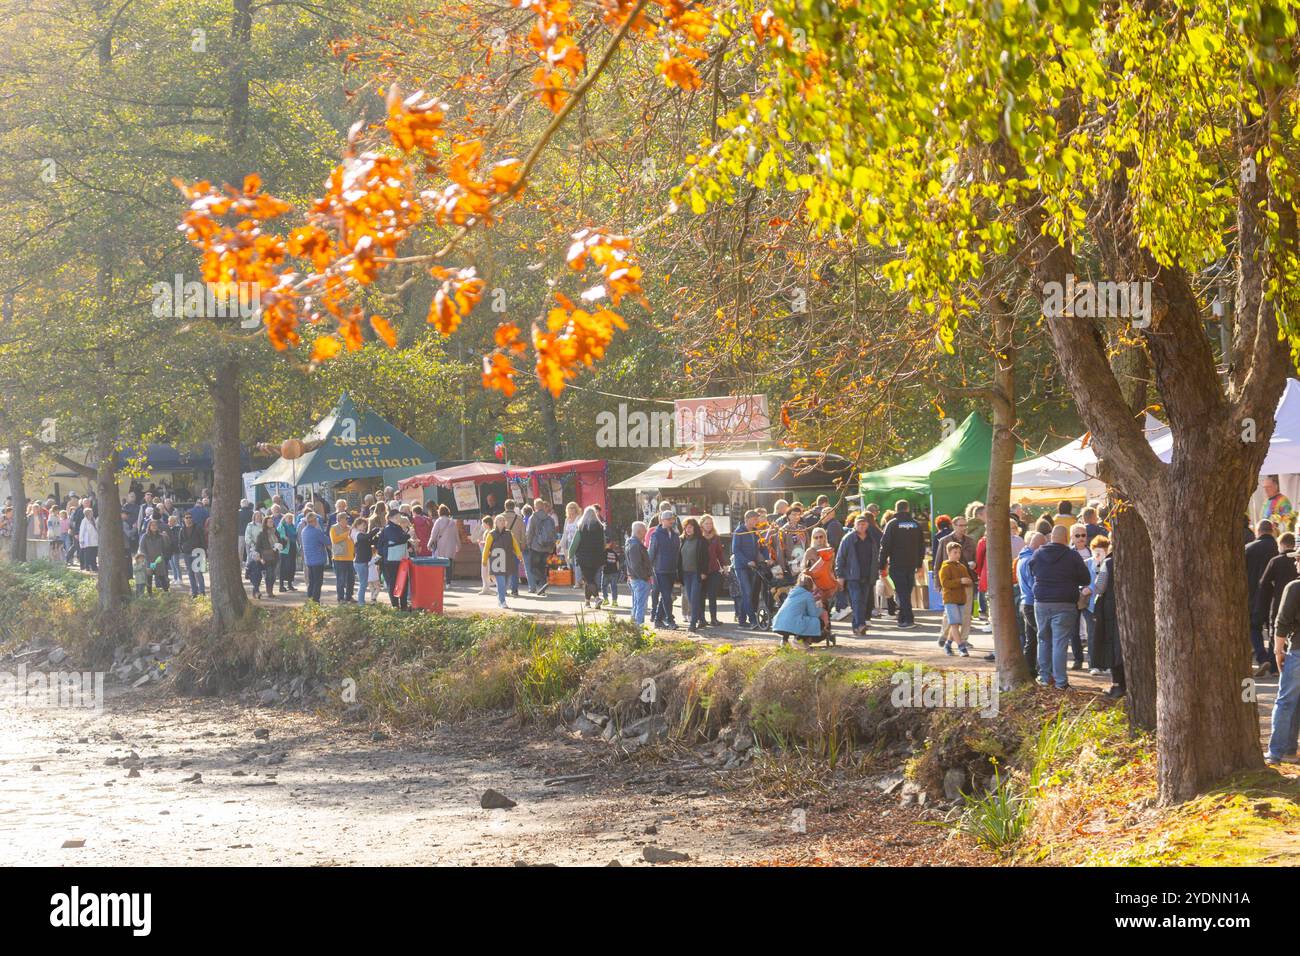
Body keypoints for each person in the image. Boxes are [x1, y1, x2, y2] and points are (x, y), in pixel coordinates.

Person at [1028, 525, 1091, 690]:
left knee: (1043, 640)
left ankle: (1044, 677)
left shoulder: (1038, 553)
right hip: (1064, 603)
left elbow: (1031, 571)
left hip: (1041, 602)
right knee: (1060, 643)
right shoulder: (1072, 556)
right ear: (1066, 538)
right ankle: (1061, 682)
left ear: (1051, 537)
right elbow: (1086, 578)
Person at [1267, 550, 1300, 765]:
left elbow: (1282, 621)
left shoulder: (1295, 587)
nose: (1296, 563)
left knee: (1286, 701)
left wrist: (1278, 651)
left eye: (1298, 559)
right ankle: (1289, 748)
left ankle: (1276, 752)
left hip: (1298, 650)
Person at [1256, 532, 1298, 677]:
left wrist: (1266, 600)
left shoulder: (1276, 561)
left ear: (1281, 545)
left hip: (1280, 603)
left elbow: (1263, 583)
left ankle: (1275, 668)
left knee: (1278, 632)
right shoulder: (1294, 563)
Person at [878, 500, 925, 628]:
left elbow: (885, 546)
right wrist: (920, 564)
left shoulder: (891, 524)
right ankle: (903, 618)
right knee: (906, 591)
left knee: (902, 591)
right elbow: (922, 546)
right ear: (907, 509)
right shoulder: (916, 524)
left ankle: (908, 619)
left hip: (897, 563)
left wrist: (881, 565)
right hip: (912, 564)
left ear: (896, 509)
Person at [835, 514, 879, 636]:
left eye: (863, 524)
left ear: (867, 525)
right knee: (856, 601)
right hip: (852, 576)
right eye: (859, 524)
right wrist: (840, 577)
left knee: (863, 602)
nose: (861, 526)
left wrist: (876, 573)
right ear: (854, 525)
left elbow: (875, 557)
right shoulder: (848, 539)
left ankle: (857, 626)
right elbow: (840, 558)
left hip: (867, 576)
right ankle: (860, 625)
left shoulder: (871, 539)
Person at [1247, 519, 1280, 668]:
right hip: (1275, 595)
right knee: (1273, 628)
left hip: (1254, 595)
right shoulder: (1278, 548)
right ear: (1272, 531)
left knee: (1254, 627)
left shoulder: (1248, 549)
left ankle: (1262, 657)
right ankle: (1274, 663)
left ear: (1258, 531)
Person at [938, 540, 976, 656]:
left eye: (959, 552)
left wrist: (968, 581)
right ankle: (961, 647)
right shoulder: (945, 567)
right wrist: (960, 581)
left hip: (961, 599)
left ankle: (948, 644)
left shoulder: (962, 567)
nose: (957, 555)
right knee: (954, 623)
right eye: (955, 552)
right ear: (949, 553)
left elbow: (968, 579)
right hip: (950, 599)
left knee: (957, 623)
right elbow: (945, 583)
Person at [772, 573, 829, 649]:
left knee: (793, 618)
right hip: (791, 624)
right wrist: (820, 608)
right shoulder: (807, 594)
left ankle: (784, 641)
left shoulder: (792, 592)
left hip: (778, 624)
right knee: (818, 622)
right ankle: (799, 640)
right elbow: (814, 614)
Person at [1016, 532, 1045, 677]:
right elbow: (1034, 584)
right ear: (1039, 545)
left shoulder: (1022, 558)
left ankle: (1029, 670)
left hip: (1025, 602)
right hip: (1031, 603)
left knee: (1031, 639)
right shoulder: (1031, 561)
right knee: (1041, 637)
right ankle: (1041, 670)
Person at [648, 510, 681, 628]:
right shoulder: (656, 535)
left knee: (666, 596)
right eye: (668, 519)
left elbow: (678, 552)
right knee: (667, 595)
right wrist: (648, 571)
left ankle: (657, 620)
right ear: (662, 520)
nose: (671, 521)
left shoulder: (675, 534)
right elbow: (651, 554)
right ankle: (670, 620)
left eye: (672, 519)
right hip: (660, 570)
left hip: (672, 569)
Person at [482, 513, 523, 609]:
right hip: (497, 561)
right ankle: (502, 601)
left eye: (503, 520)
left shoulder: (509, 533)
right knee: (500, 581)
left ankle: (500, 596)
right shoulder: (491, 534)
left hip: (508, 560)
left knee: (506, 582)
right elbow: (486, 548)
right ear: (495, 522)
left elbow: (515, 545)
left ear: (505, 523)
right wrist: (484, 559)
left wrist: (519, 554)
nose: (501, 521)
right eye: (499, 520)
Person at [571, 505, 607, 609]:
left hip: (583, 558)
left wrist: (570, 554)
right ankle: (587, 602)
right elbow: (604, 543)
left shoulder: (581, 527)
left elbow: (575, 543)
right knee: (589, 579)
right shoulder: (600, 528)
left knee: (589, 579)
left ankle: (596, 598)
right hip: (597, 558)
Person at [1084, 536, 1111, 674]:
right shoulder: (1086, 563)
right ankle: (1093, 664)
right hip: (1090, 605)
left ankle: (1105, 664)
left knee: (1105, 634)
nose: (1100, 554)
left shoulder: (1109, 563)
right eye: (1097, 551)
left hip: (1105, 605)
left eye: (1104, 550)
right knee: (1092, 634)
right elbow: (1081, 581)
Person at [374, 512, 413, 609]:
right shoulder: (389, 529)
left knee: (403, 582)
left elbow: (401, 540)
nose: (400, 518)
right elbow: (397, 539)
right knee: (394, 583)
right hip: (391, 561)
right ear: (391, 518)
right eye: (398, 517)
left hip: (399, 559)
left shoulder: (396, 527)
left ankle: (403, 605)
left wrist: (409, 542)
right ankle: (396, 605)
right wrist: (408, 535)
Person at [731, 510, 761, 628]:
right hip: (741, 567)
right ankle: (753, 620)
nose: (756, 522)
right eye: (755, 519)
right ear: (747, 519)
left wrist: (768, 558)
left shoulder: (755, 531)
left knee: (746, 594)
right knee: (747, 592)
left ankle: (742, 620)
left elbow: (761, 546)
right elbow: (735, 550)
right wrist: (747, 561)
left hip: (752, 566)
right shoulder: (739, 532)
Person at [678, 517, 708, 630]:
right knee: (690, 598)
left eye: (690, 527)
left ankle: (693, 623)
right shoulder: (682, 540)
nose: (688, 529)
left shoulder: (701, 541)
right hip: (685, 574)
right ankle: (702, 619)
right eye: (686, 527)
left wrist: (704, 572)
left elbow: (706, 558)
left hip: (697, 574)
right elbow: (679, 558)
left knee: (694, 598)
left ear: (695, 528)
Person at [525, 498, 558, 595]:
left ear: (535, 507)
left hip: (536, 547)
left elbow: (529, 532)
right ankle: (543, 587)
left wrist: (528, 544)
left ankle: (543, 582)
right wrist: (552, 546)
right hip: (547, 547)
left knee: (533, 568)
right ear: (543, 507)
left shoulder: (533, 517)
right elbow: (554, 534)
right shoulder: (550, 518)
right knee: (542, 567)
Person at [699, 515, 726, 626]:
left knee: (712, 595)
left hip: (714, 569)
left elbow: (719, 553)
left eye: (710, 523)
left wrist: (724, 565)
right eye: (706, 523)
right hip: (702, 570)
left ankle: (713, 618)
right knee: (701, 595)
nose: (709, 525)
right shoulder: (698, 537)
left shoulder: (716, 537)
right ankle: (701, 619)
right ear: (702, 525)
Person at [625, 521, 653, 625]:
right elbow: (636, 564)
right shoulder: (636, 545)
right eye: (645, 531)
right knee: (641, 605)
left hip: (635, 578)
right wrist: (645, 577)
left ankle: (633, 626)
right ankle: (638, 627)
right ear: (639, 531)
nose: (646, 533)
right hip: (640, 579)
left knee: (636, 604)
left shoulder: (630, 543)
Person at [300, 511, 330, 603]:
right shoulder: (316, 532)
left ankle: (310, 597)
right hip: (317, 559)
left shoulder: (304, 531)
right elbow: (327, 541)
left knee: (311, 581)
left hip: (309, 559)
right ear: (313, 521)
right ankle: (315, 600)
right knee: (318, 581)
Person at [500, 500, 526, 597]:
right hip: (515, 547)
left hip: (502, 546)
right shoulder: (519, 519)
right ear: (514, 507)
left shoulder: (500, 518)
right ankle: (514, 589)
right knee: (515, 569)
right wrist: (522, 545)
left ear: (505, 506)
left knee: (503, 569)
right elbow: (523, 535)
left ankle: (504, 589)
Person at [250, 516, 281, 599]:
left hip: (275, 557)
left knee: (273, 575)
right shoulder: (262, 534)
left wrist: (281, 544)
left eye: (272, 522)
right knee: (269, 574)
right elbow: (258, 547)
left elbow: (280, 542)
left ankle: (269, 590)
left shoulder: (276, 532)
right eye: (269, 522)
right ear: (265, 523)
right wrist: (261, 557)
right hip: (266, 557)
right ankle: (268, 591)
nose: (271, 523)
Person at [429, 504, 460, 582]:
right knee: (449, 564)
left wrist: (429, 543)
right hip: (451, 546)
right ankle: (448, 582)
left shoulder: (438, 521)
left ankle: (440, 580)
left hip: (441, 546)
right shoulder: (452, 522)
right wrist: (459, 545)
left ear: (440, 512)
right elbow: (456, 535)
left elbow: (433, 534)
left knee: (440, 564)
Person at [179, 511, 207, 597]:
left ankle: (202, 592)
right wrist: (182, 550)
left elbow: (203, 540)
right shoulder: (182, 530)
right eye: (186, 518)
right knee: (190, 573)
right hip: (187, 554)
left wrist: (204, 552)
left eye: (190, 517)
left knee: (198, 573)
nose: (188, 519)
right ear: (184, 519)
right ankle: (194, 592)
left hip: (197, 553)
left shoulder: (198, 528)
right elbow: (180, 542)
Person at [330, 513, 356, 603]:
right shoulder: (334, 528)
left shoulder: (349, 528)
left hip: (350, 558)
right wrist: (346, 534)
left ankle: (349, 597)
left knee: (351, 579)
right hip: (339, 558)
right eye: (345, 519)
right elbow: (334, 540)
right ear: (340, 519)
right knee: (340, 579)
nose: (347, 520)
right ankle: (340, 598)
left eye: (347, 519)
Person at [352, 514, 376, 605]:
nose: (364, 526)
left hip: (363, 562)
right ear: (357, 525)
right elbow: (365, 538)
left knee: (363, 583)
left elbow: (369, 541)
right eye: (362, 525)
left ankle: (361, 601)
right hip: (360, 563)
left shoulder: (362, 534)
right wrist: (374, 531)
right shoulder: (357, 534)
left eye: (365, 525)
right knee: (363, 583)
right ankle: (361, 603)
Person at [601, 531, 623, 608]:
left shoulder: (603, 552)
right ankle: (614, 601)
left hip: (606, 572)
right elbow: (617, 562)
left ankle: (606, 599)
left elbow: (602, 562)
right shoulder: (614, 552)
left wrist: (602, 567)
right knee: (614, 587)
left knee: (604, 586)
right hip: (614, 572)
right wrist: (617, 570)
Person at [77, 506, 99, 572]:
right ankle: (87, 567)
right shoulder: (84, 521)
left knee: (94, 554)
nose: (92, 513)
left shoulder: (93, 520)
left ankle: (94, 566)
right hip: (88, 541)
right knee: (88, 554)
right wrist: (81, 540)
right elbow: (82, 531)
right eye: (90, 512)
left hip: (94, 540)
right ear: (87, 514)